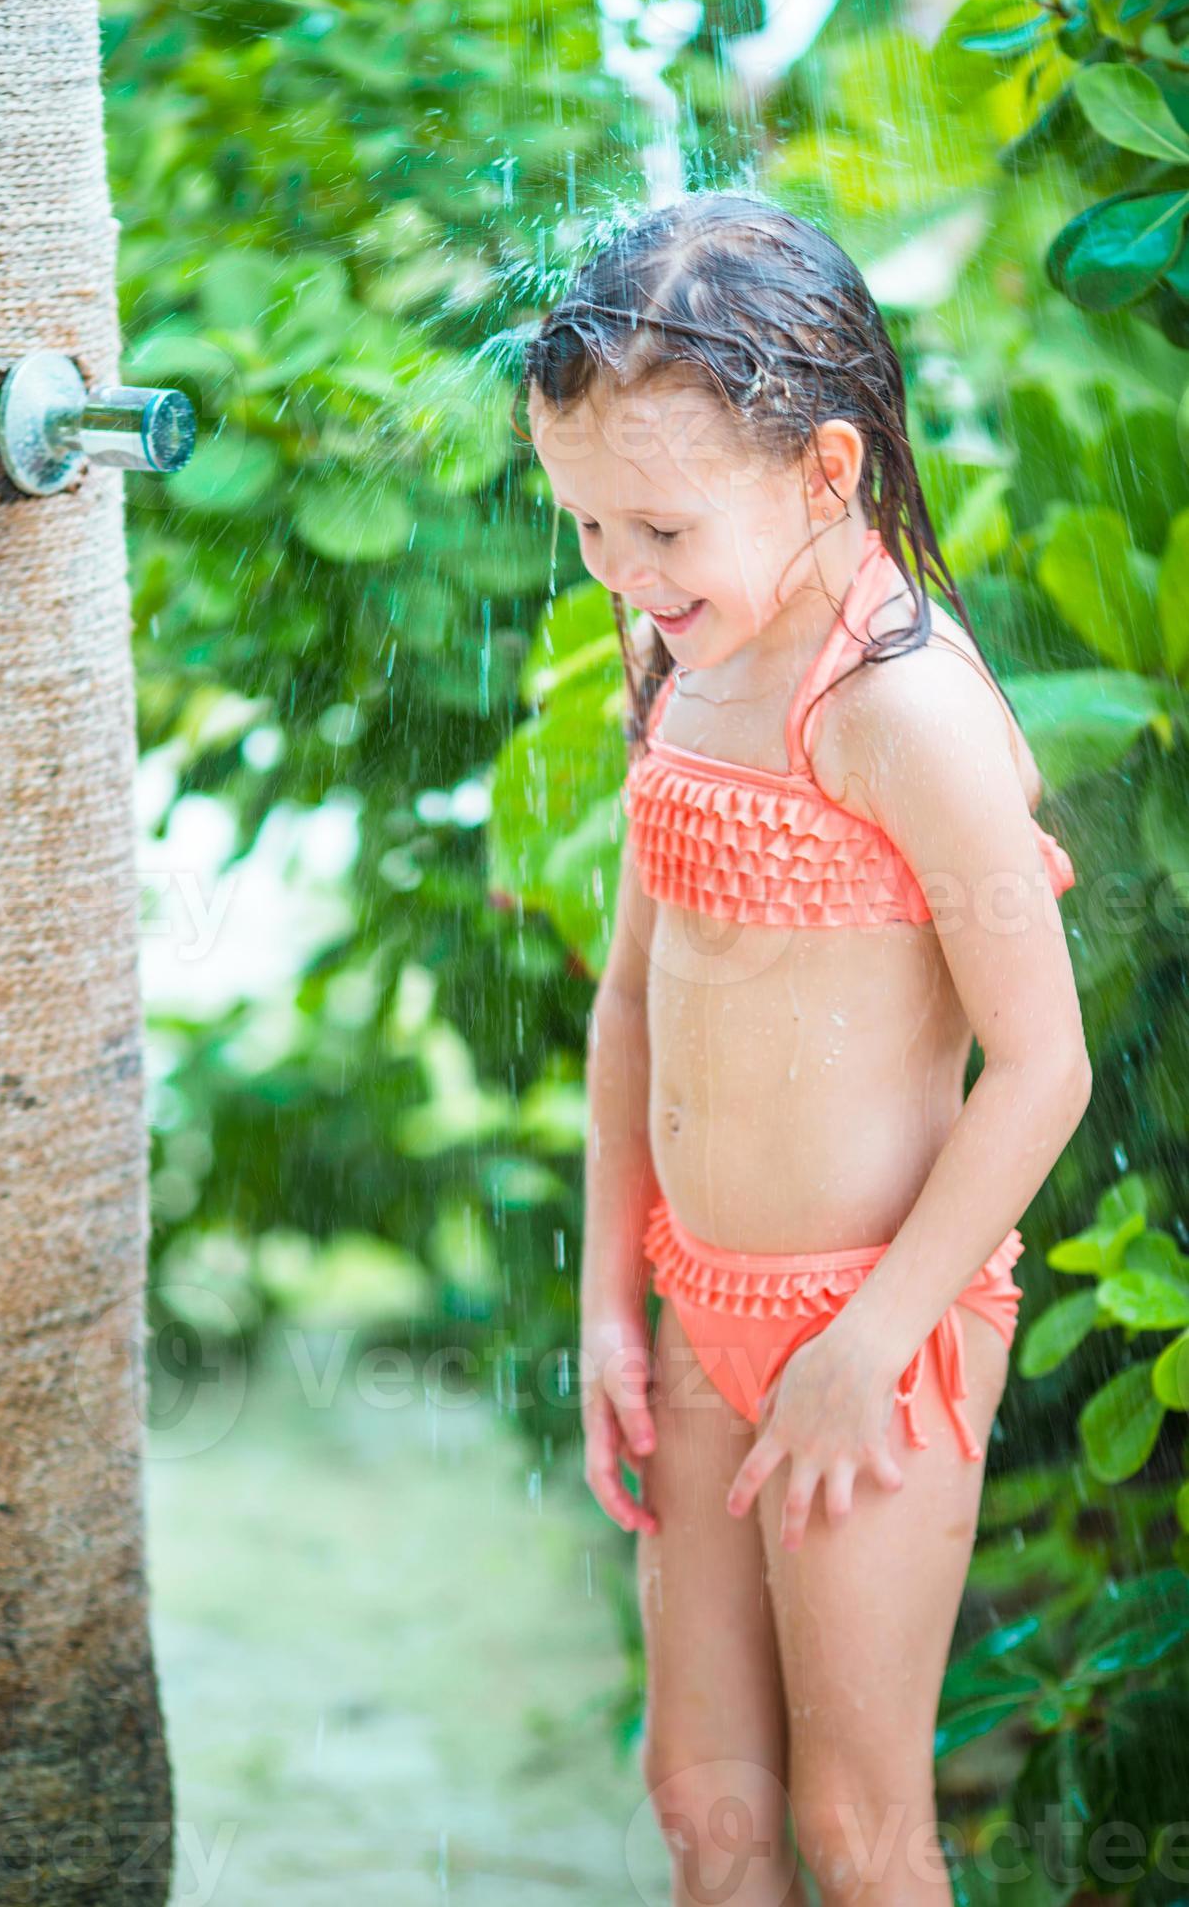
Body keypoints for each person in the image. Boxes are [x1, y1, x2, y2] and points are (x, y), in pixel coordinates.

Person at [516, 190, 1091, 1905]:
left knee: (855, 1824)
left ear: (826, 472)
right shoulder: (680, 657)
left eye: (660, 532)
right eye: (589, 528)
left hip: (879, 1329)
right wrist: (614, 1300)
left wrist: (870, 1340)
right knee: (707, 1806)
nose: (623, 572)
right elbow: (633, 1001)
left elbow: (1042, 1066)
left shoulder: (898, 705)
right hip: (701, 1308)